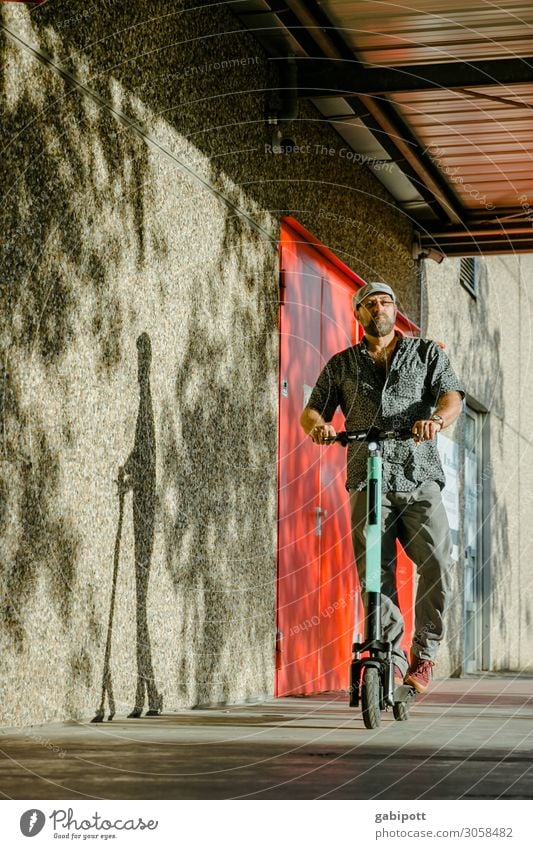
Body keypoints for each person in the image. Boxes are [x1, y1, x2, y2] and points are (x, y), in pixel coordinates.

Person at [300, 281, 464, 693]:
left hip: (417, 474)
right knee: (375, 573)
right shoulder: (341, 365)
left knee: (438, 563)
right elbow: (311, 412)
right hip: (366, 477)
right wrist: (319, 428)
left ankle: (424, 655)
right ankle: (388, 655)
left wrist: (437, 421)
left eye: (385, 301)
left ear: (395, 309)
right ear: (358, 314)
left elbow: (452, 398)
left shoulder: (426, 353)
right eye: (369, 303)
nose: (378, 308)